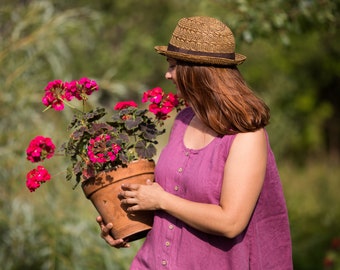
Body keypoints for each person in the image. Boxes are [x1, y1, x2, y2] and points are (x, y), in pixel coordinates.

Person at [97, 16, 293, 269]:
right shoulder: (184, 120)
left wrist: (160, 200)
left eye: (173, 65)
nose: (167, 75)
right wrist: (124, 221)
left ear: (197, 72)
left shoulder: (246, 136)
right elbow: (174, 199)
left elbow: (230, 222)